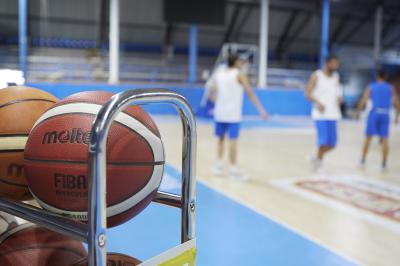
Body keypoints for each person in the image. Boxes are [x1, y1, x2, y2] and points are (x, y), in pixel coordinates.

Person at [210, 54, 268, 180]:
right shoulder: (239, 74)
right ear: (236, 62)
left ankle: (218, 166)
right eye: (240, 61)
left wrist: (219, 103)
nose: (242, 63)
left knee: (220, 139)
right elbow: (250, 92)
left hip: (220, 112)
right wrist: (261, 109)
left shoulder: (219, 75)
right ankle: (233, 170)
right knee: (233, 141)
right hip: (233, 114)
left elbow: (211, 94)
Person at [355, 69, 400, 170]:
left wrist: (358, 112)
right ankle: (384, 164)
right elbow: (396, 101)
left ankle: (363, 160)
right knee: (385, 139)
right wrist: (397, 115)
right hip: (385, 114)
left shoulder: (371, 87)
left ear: (377, 76)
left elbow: (364, 99)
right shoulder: (391, 88)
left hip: (374, 114)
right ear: (386, 77)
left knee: (368, 138)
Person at [305, 55, 342, 171]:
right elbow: (307, 94)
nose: (335, 66)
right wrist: (318, 103)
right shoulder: (317, 75)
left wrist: (339, 99)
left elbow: (337, 93)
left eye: (337, 64)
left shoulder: (336, 77)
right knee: (323, 141)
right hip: (320, 115)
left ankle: (316, 158)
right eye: (334, 63)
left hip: (333, 114)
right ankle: (318, 164)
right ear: (327, 63)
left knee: (332, 144)